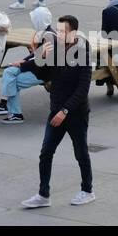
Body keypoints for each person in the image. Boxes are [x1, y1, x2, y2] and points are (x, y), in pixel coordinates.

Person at [21, 15, 94, 208]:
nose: (59, 34)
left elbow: (83, 89)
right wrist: (39, 57)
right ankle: (43, 194)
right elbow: (43, 75)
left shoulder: (83, 53)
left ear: (74, 33)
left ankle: (87, 190)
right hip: (55, 111)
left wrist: (65, 111)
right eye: (58, 30)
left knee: (81, 153)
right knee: (46, 153)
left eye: (63, 31)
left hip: (75, 113)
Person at [0, 5, 54, 122]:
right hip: (36, 68)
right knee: (9, 72)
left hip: (43, 73)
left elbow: (39, 60)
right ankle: (7, 108)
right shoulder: (45, 32)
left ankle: (12, 111)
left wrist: (22, 64)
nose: (33, 22)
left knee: (11, 80)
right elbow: (35, 55)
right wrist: (23, 60)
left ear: (39, 20)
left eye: (34, 19)